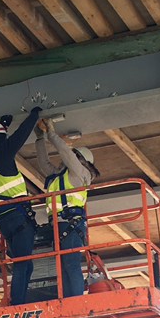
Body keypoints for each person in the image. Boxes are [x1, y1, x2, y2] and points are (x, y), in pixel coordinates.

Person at [0, 109, 42, 305]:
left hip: (3, 219)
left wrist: (2, 127)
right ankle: (18, 303)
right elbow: (19, 137)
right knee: (23, 264)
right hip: (18, 216)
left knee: (25, 264)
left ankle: (20, 299)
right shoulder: (1, 156)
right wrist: (34, 115)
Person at [34, 119, 100, 298]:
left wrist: (51, 133)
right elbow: (43, 163)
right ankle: (67, 300)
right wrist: (40, 139)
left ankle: (75, 300)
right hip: (59, 226)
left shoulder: (79, 173)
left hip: (70, 225)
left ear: (80, 159)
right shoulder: (61, 175)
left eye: (72, 155)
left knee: (70, 265)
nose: (65, 158)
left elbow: (65, 152)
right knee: (62, 268)